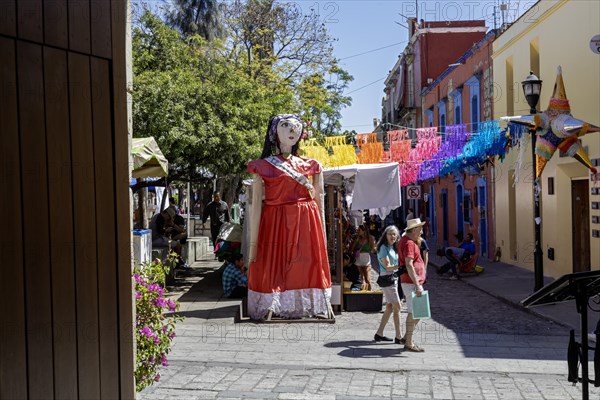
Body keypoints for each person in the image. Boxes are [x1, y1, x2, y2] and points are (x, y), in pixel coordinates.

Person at [246, 114, 332, 320]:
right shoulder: (262, 166)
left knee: (305, 264)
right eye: (285, 126)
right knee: (275, 262)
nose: (292, 130)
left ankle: (314, 303)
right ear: (275, 132)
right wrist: (252, 243)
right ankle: (272, 303)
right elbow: (256, 204)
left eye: (296, 126)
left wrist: (324, 235)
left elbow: (319, 201)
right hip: (276, 220)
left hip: (306, 220)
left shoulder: (312, 165)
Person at [399, 218, 427, 352]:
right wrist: (417, 285)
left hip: (411, 281)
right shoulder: (409, 243)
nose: (421, 232)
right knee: (414, 312)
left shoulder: (407, 241)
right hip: (411, 282)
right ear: (414, 229)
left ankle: (406, 337)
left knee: (419, 311)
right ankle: (409, 342)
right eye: (420, 229)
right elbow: (409, 264)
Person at [374, 225, 404, 345]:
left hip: (393, 278)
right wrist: (402, 266)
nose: (392, 236)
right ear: (385, 235)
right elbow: (387, 266)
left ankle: (379, 333)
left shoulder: (393, 247)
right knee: (398, 306)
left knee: (390, 307)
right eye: (390, 234)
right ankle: (399, 336)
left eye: (394, 234)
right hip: (387, 278)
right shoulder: (383, 248)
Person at [350, 225, 376, 291]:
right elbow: (351, 249)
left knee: (368, 279)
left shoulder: (370, 238)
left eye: (359, 230)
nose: (357, 232)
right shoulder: (357, 238)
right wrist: (356, 242)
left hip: (366, 260)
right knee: (361, 280)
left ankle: (369, 293)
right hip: (358, 260)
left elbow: (373, 250)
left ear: (364, 231)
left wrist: (372, 247)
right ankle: (362, 294)